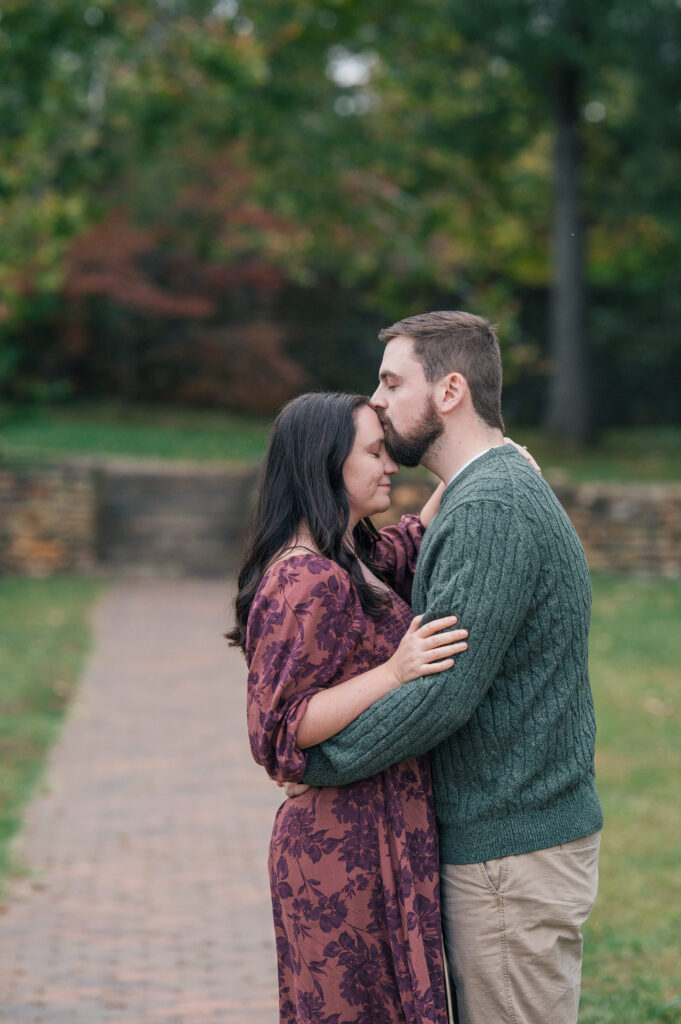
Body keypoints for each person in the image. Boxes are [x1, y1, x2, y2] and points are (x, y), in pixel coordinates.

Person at [300, 312, 603, 1024]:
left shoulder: (491, 506)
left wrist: (315, 762)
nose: (375, 401)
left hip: (510, 853)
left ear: (449, 391)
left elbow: (441, 694)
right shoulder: (481, 493)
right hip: (510, 843)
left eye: (391, 381)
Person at [228, 391, 469, 1024]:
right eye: (374, 452)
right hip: (340, 849)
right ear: (324, 463)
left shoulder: (351, 556)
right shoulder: (305, 579)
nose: (391, 464)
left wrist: (485, 462)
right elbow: (280, 729)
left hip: (377, 829)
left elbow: (410, 541)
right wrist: (396, 671)